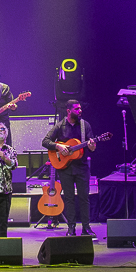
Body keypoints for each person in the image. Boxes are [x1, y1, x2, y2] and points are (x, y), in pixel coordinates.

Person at [42, 100, 97, 237]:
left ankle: (86, 228)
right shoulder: (60, 126)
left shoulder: (85, 125)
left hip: (82, 167)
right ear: (68, 111)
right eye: (77, 109)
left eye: (80, 108)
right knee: (69, 198)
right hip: (65, 168)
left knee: (84, 198)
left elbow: (91, 146)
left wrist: (92, 146)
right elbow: (45, 141)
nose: (80, 111)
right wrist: (58, 146)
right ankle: (71, 228)